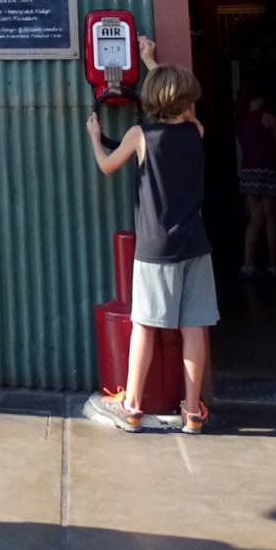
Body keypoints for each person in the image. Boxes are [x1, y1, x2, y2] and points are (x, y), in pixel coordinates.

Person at [85, 37, 216, 434]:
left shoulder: (141, 136)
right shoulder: (197, 130)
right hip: (195, 243)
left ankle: (132, 406)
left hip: (155, 248)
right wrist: (149, 59)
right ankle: (192, 413)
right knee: (194, 327)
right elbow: (170, 96)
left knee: (145, 324)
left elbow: (108, 165)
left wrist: (94, 134)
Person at [234, 81, 276, 278]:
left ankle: (248, 263)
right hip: (269, 170)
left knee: (255, 219)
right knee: (271, 217)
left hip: (248, 172)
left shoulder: (240, 121)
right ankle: (273, 263)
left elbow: (239, 151)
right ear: (260, 98)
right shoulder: (268, 118)